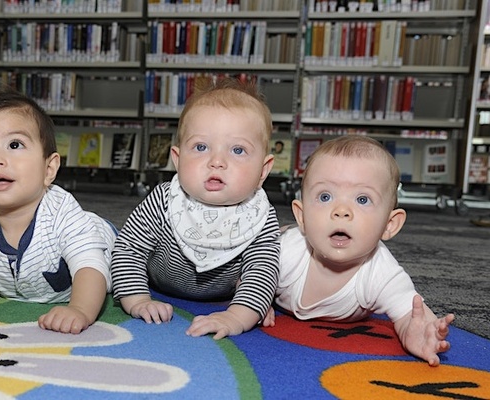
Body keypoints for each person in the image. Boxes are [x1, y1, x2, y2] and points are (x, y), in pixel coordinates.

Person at [0, 87, 116, 335]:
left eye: (14, 144)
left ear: (48, 169)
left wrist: (80, 309)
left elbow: (90, 266)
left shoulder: (62, 212)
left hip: (108, 243)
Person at [110, 77, 281, 340]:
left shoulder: (259, 214)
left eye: (238, 150)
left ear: (263, 170)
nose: (216, 161)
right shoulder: (164, 199)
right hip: (161, 283)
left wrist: (240, 313)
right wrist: (137, 299)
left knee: (267, 280)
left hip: (224, 292)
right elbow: (128, 249)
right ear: (177, 159)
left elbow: (262, 268)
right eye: (201, 147)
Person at [264, 135, 455, 366]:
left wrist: (417, 332)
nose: (342, 210)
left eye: (362, 199)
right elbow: (246, 272)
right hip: (284, 235)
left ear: (389, 224)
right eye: (325, 196)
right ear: (302, 216)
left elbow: (411, 313)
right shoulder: (285, 251)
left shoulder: (380, 271)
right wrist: (258, 300)